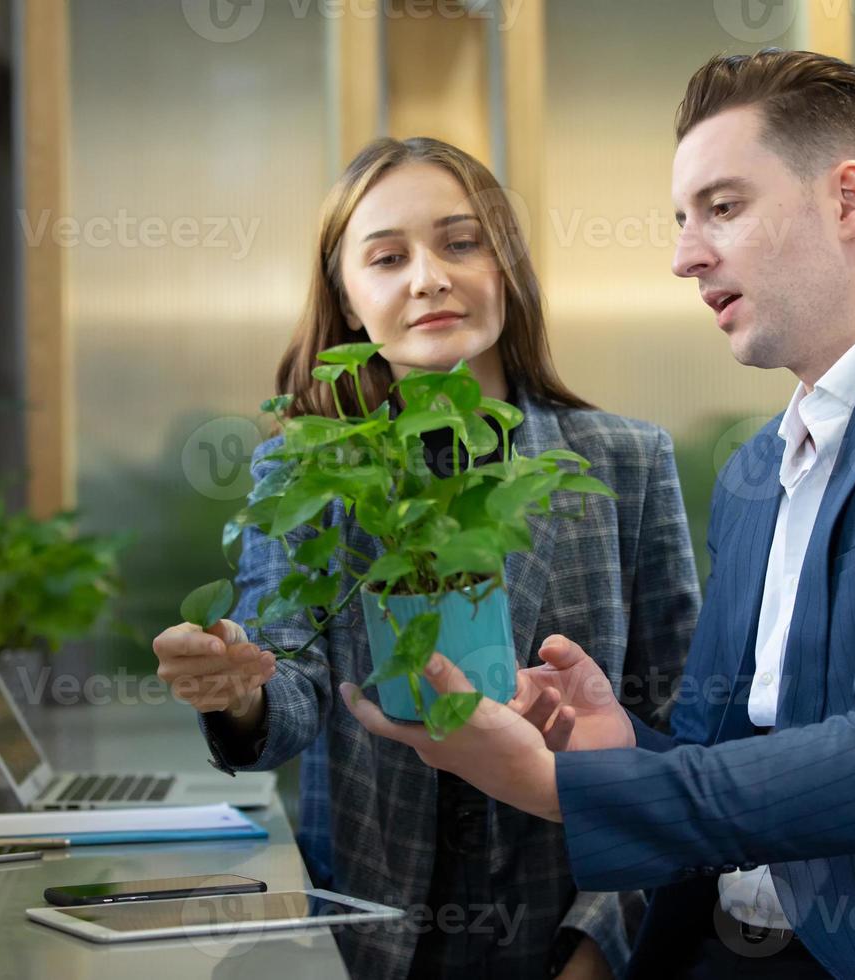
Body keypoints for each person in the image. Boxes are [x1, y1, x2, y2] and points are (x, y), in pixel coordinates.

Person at [342, 50, 855, 979]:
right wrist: (615, 737)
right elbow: (726, 756)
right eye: (682, 221)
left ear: (848, 200)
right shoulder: (756, 471)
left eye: (722, 208)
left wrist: (565, 787)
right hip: (724, 950)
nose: (685, 256)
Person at [150, 136, 702, 980]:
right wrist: (240, 692)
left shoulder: (622, 462)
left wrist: (599, 943)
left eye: (460, 241)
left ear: (506, 264)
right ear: (345, 298)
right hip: (374, 933)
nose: (428, 277)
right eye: (386, 257)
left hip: (567, 926)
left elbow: (679, 727)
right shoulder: (307, 469)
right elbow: (288, 695)